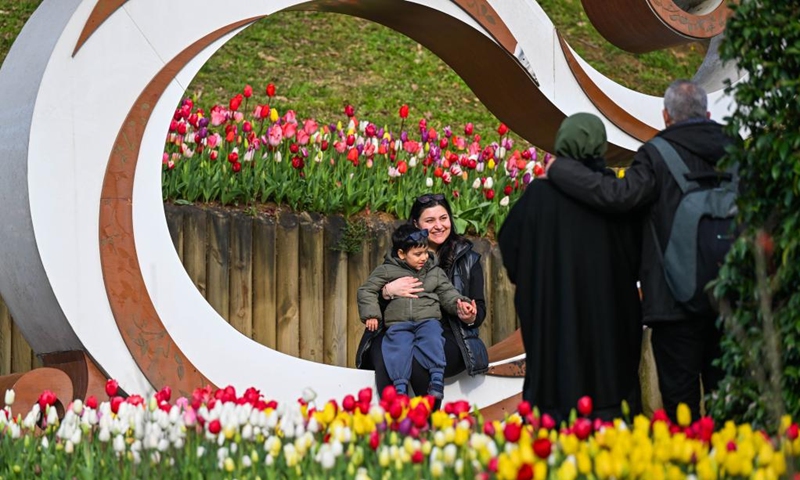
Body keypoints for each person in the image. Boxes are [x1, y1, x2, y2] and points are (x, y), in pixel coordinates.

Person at [545, 80, 734, 422]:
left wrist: (563, 170)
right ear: (707, 114)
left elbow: (619, 197)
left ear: (665, 116)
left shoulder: (657, 154)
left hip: (675, 303)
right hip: (734, 298)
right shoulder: (738, 152)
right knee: (732, 401)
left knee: (682, 406)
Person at [498, 112, 643, 423]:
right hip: (609, 334)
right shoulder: (616, 199)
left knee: (554, 420)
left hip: (552, 331)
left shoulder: (538, 197)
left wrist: (536, 280)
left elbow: (510, 247)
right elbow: (638, 259)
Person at [355, 194, 489, 401]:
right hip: (398, 326)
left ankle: (424, 423)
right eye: (430, 221)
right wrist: (387, 291)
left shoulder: (468, 259)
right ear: (416, 224)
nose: (438, 226)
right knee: (386, 356)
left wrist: (468, 313)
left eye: (443, 218)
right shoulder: (398, 258)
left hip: (448, 333)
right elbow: (370, 294)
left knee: (419, 359)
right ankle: (393, 418)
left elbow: (477, 309)